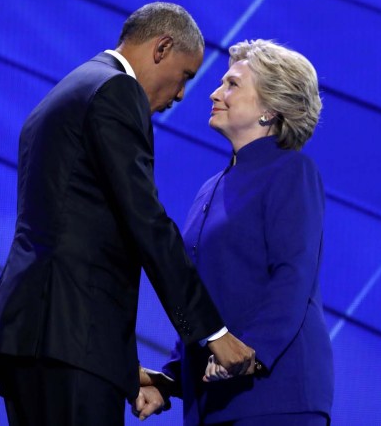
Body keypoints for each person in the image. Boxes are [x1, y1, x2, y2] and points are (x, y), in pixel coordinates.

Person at [0, 2, 256, 426]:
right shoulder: (115, 91)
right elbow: (145, 221)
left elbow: (85, 233)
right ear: (162, 48)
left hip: (38, 336)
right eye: (186, 76)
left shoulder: (70, 89)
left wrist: (121, 361)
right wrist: (212, 334)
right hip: (68, 341)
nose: (181, 94)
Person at [138, 39, 334, 425]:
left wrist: (251, 354)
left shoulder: (291, 172)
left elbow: (292, 275)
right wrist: (170, 379)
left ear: (270, 108)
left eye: (232, 84)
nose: (215, 93)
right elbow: (202, 299)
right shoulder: (209, 189)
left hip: (275, 397)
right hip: (212, 403)